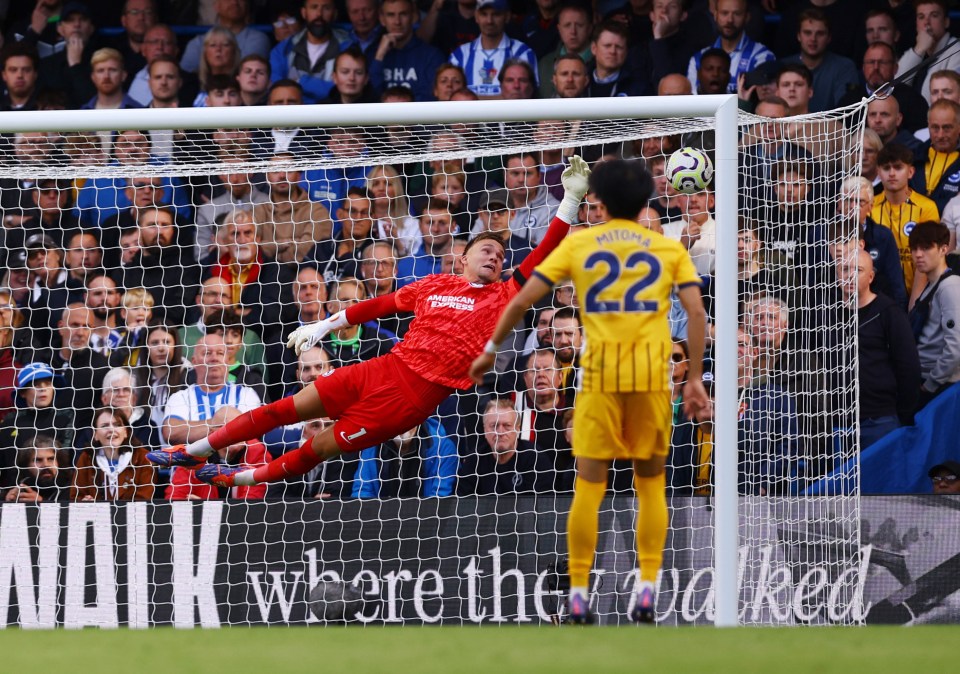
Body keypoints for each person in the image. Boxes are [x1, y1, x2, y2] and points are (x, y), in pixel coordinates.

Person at [145, 157, 593, 501]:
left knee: (318, 447)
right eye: (486, 250)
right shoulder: (434, 283)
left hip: (410, 399)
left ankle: (233, 476)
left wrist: (570, 200)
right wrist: (322, 326)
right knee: (288, 408)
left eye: (499, 252)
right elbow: (375, 305)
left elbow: (546, 252)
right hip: (383, 368)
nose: (495, 256)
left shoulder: (504, 295)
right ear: (463, 259)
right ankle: (195, 451)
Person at [468, 158, 708, 624]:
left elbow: (521, 297)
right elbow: (696, 316)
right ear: (644, 202)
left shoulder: (581, 244)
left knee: (589, 487)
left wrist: (491, 347)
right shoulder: (666, 250)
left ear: (598, 200)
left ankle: (578, 591)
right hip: (649, 378)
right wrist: (694, 377)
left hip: (599, 379)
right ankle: (646, 586)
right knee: (650, 486)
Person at [843, 248, 919, 447]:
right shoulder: (827, 314)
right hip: (839, 423)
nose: (849, 275)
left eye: (857, 270)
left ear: (871, 276)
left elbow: (908, 367)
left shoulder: (888, 312)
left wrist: (904, 415)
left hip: (880, 420)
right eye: (844, 269)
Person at [872, 143, 940, 301]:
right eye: (886, 168)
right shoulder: (869, 207)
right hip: (878, 297)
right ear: (878, 173)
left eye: (898, 167)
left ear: (910, 172)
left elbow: (928, 259)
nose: (892, 173)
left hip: (920, 295)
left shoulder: (926, 208)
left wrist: (914, 304)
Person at [908, 220, 960, 410]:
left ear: (943, 249)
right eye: (914, 248)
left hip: (939, 386)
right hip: (926, 378)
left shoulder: (950, 286)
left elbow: (955, 347)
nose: (918, 254)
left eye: (926, 248)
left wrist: (930, 384)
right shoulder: (932, 285)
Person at [450, 0, 537, 99]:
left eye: (496, 14)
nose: (489, 21)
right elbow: (450, 97)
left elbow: (526, 96)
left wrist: (473, 100)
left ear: (507, 16)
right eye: (484, 14)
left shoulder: (523, 53)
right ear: (476, 16)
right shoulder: (459, 55)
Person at [686, 0, 773, 96]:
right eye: (724, 13)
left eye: (737, 14)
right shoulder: (698, 59)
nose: (730, 20)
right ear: (715, 15)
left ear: (747, 17)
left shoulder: (762, 56)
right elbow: (692, 100)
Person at [779, 8, 858, 113]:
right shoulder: (783, 67)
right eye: (807, 33)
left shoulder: (844, 67)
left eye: (820, 33)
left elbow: (846, 111)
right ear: (798, 36)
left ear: (829, 37)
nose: (813, 39)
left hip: (831, 128)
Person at [72, 407, 155, 501]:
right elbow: (76, 496)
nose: (111, 429)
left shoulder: (143, 457)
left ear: (126, 432)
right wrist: (84, 502)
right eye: (104, 426)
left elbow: (144, 499)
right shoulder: (87, 458)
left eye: (117, 425)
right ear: (95, 435)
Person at [897, 0, 960, 105]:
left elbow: (940, 99)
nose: (926, 22)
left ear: (946, 22)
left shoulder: (957, 51)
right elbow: (895, 89)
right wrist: (918, 50)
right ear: (916, 25)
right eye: (921, 17)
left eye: (934, 15)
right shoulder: (919, 52)